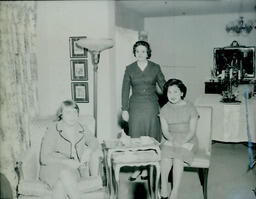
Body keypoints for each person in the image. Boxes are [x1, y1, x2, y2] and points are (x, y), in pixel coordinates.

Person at [121, 40, 166, 180]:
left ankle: (148, 168)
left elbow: (164, 86)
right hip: (135, 107)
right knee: (136, 137)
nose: (140, 54)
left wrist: (174, 96)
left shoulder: (155, 67)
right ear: (135, 53)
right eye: (138, 51)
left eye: (143, 51)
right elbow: (125, 90)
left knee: (151, 137)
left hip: (151, 106)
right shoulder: (129, 69)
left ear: (148, 53)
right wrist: (124, 109)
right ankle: (138, 168)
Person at [39, 100, 101, 199]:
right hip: (50, 168)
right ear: (61, 115)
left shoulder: (82, 128)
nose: (72, 116)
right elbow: (44, 158)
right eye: (68, 112)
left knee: (60, 185)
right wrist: (66, 161)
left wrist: (88, 150)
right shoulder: (53, 129)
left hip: (72, 170)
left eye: (75, 112)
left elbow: (94, 141)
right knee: (64, 173)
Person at [159, 79, 199, 199]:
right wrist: (172, 139)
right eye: (169, 92)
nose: (172, 95)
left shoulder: (190, 107)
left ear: (182, 93)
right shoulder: (164, 109)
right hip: (170, 138)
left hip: (188, 139)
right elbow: (165, 131)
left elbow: (192, 131)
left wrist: (182, 141)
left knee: (177, 159)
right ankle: (164, 187)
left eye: (175, 92)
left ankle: (175, 192)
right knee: (165, 157)